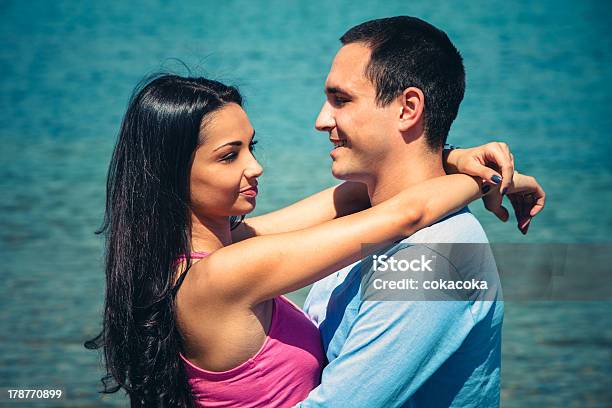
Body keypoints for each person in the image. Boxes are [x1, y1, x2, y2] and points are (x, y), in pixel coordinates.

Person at [85, 69, 543, 408]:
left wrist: (452, 156)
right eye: (229, 156)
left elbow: (350, 198)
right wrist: (494, 179)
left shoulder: (216, 251)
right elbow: (406, 214)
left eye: (252, 147)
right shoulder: (225, 273)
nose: (254, 167)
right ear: (172, 173)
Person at [294, 16, 545, 408]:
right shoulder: (365, 215)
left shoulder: (432, 261)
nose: (321, 120)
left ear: (408, 108)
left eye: (341, 100)